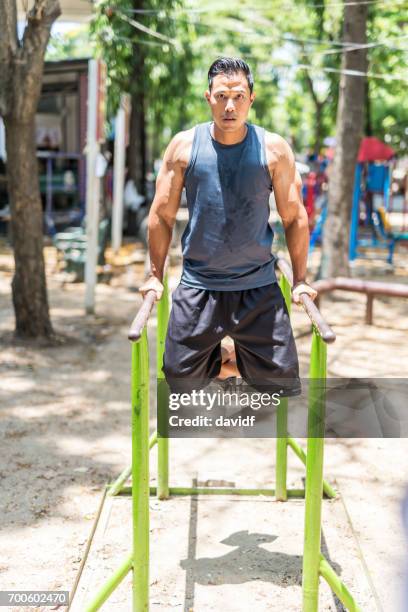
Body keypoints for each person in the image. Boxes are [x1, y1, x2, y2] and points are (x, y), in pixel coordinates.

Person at [140, 57, 317, 395]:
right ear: (208, 97)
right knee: (178, 379)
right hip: (199, 284)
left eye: (238, 96)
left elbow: (294, 217)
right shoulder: (184, 146)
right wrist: (154, 275)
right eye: (221, 96)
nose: (230, 106)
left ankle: (240, 359)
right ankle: (226, 357)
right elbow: (162, 215)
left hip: (258, 283)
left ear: (251, 98)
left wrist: (300, 281)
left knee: (281, 383)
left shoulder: (274, 149)